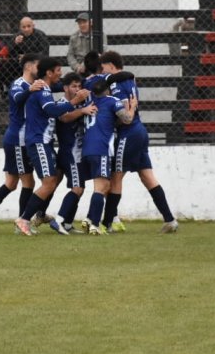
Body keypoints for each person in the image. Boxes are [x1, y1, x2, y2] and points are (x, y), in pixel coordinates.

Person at [99, 50, 179, 234]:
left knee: (115, 177)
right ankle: (170, 220)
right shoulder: (129, 80)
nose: (103, 73)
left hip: (129, 133)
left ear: (111, 66)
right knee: (147, 177)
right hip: (140, 131)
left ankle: (107, 223)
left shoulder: (118, 84)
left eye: (104, 69)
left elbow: (124, 115)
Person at [13, 57, 91, 236]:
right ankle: (24, 219)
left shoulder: (44, 88)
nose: (60, 73)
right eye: (57, 70)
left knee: (50, 182)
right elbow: (52, 111)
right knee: (49, 183)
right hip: (38, 141)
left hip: (44, 143)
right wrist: (74, 102)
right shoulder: (42, 89)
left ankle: (36, 216)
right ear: (48, 73)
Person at [0, 54, 44, 235]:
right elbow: (18, 98)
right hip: (17, 141)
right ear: (29, 67)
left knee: (11, 184)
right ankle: (22, 222)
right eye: (38, 65)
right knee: (28, 182)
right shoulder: (19, 84)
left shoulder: (34, 84)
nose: (41, 69)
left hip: (19, 140)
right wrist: (31, 90)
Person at [79, 77, 136, 235]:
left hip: (88, 149)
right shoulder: (111, 100)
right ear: (107, 90)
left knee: (101, 186)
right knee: (102, 187)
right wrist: (133, 107)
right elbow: (127, 119)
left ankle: (90, 219)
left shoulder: (89, 103)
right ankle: (95, 225)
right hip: (102, 148)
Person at [51, 72, 95, 234]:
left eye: (79, 86)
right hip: (70, 153)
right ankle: (59, 220)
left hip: (77, 153)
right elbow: (65, 118)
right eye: (73, 86)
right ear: (65, 88)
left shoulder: (82, 102)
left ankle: (67, 224)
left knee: (78, 189)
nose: (77, 89)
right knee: (77, 188)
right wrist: (83, 110)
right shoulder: (61, 103)